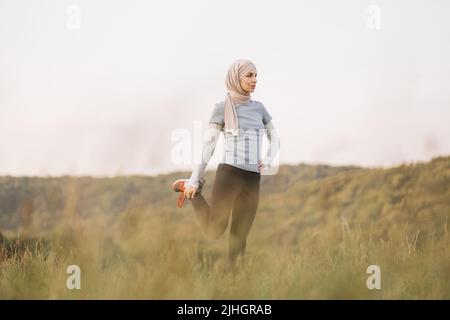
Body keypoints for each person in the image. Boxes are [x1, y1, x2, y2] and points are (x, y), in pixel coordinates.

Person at [172, 59, 280, 265]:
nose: (255, 80)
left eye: (256, 75)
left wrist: (267, 160)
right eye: (249, 75)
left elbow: (276, 139)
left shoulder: (259, 108)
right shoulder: (221, 107)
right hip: (229, 175)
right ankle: (190, 188)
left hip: (252, 180)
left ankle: (235, 288)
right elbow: (209, 143)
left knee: (239, 241)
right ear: (235, 77)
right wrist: (195, 179)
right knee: (214, 231)